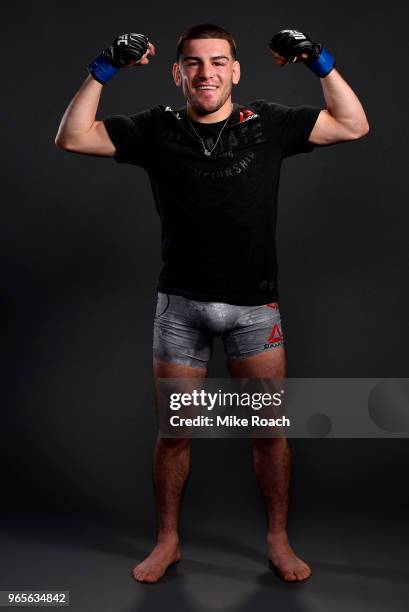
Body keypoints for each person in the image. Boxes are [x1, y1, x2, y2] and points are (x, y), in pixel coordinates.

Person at [55, 24, 369, 583]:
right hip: (181, 308)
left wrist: (318, 58)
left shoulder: (268, 124)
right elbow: (73, 137)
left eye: (218, 62)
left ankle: (277, 540)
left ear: (236, 71)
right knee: (175, 431)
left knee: (268, 431)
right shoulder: (157, 129)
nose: (207, 73)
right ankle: (168, 541)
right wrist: (104, 66)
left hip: (255, 308)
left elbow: (354, 123)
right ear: (177, 73)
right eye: (194, 64)